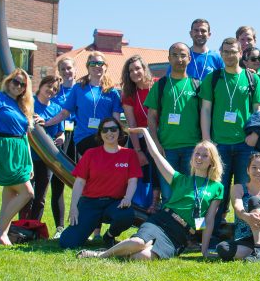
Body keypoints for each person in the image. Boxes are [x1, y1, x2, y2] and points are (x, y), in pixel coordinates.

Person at [78, 127, 223, 260]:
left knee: (142, 256)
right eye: (197, 154)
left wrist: (204, 251)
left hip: (180, 234)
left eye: (205, 156)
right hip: (162, 221)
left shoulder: (217, 187)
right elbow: (156, 155)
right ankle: (100, 255)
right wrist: (145, 132)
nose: (199, 158)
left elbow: (209, 220)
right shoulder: (179, 179)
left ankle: (124, 250)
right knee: (138, 243)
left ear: (212, 161)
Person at [200, 37, 260, 238]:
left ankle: (243, 234)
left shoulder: (251, 78)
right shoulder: (213, 78)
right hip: (218, 145)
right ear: (221, 53)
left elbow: (258, 110)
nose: (230, 55)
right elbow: (205, 109)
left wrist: (255, 134)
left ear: (241, 54)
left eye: (233, 51)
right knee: (216, 191)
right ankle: (213, 235)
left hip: (244, 145)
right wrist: (207, 139)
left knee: (244, 190)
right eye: (226, 51)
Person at [58, 117, 140, 248]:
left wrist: (127, 198)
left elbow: (133, 181)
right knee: (67, 243)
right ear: (100, 134)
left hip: (114, 203)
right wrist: (73, 207)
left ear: (119, 132)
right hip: (90, 203)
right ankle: (84, 228)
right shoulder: (90, 154)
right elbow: (79, 182)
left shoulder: (129, 154)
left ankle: (109, 236)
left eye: (113, 129)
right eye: (105, 130)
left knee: (126, 215)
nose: (109, 133)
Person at [144, 42, 202, 205]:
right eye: (175, 55)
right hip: (166, 149)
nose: (179, 59)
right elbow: (151, 117)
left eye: (183, 55)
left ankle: (189, 223)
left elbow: (205, 115)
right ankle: (167, 222)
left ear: (189, 59)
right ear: (169, 59)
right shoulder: (160, 85)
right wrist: (156, 143)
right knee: (168, 196)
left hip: (192, 149)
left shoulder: (197, 85)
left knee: (190, 195)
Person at [0, 68, 36, 246]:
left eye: (23, 85)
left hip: (21, 151)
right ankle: (0, 230)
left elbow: (25, 136)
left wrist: (29, 162)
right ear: (8, 81)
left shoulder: (22, 106)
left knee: (10, 193)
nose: (18, 86)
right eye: (16, 82)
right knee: (27, 193)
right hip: (4, 149)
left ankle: (2, 236)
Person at [44, 51, 123, 157]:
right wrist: (46, 123)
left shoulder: (112, 92)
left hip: (106, 137)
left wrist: (121, 137)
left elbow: (116, 119)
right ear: (88, 67)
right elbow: (64, 113)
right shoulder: (78, 88)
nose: (96, 66)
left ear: (105, 67)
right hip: (84, 138)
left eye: (100, 63)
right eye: (92, 63)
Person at [21, 75, 65, 225]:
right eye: (49, 86)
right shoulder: (29, 102)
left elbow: (60, 132)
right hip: (28, 155)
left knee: (40, 196)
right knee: (27, 193)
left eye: (55, 89)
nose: (51, 90)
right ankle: (22, 225)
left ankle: (34, 227)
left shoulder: (57, 108)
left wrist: (61, 138)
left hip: (47, 159)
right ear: (41, 85)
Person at [120, 55, 159, 212]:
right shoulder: (128, 93)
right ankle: (140, 207)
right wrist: (138, 151)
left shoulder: (157, 85)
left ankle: (156, 203)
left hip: (159, 136)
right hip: (139, 138)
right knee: (140, 173)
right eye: (130, 70)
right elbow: (132, 124)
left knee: (158, 170)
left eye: (137, 68)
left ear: (144, 69)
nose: (134, 72)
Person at [49, 57, 76, 238]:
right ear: (59, 72)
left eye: (69, 68)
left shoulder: (81, 89)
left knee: (80, 181)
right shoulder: (55, 91)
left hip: (78, 136)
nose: (67, 72)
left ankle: (79, 225)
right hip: (59, 136)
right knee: (57, 181)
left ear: (75, 70)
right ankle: (59, 227)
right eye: (63, 69)